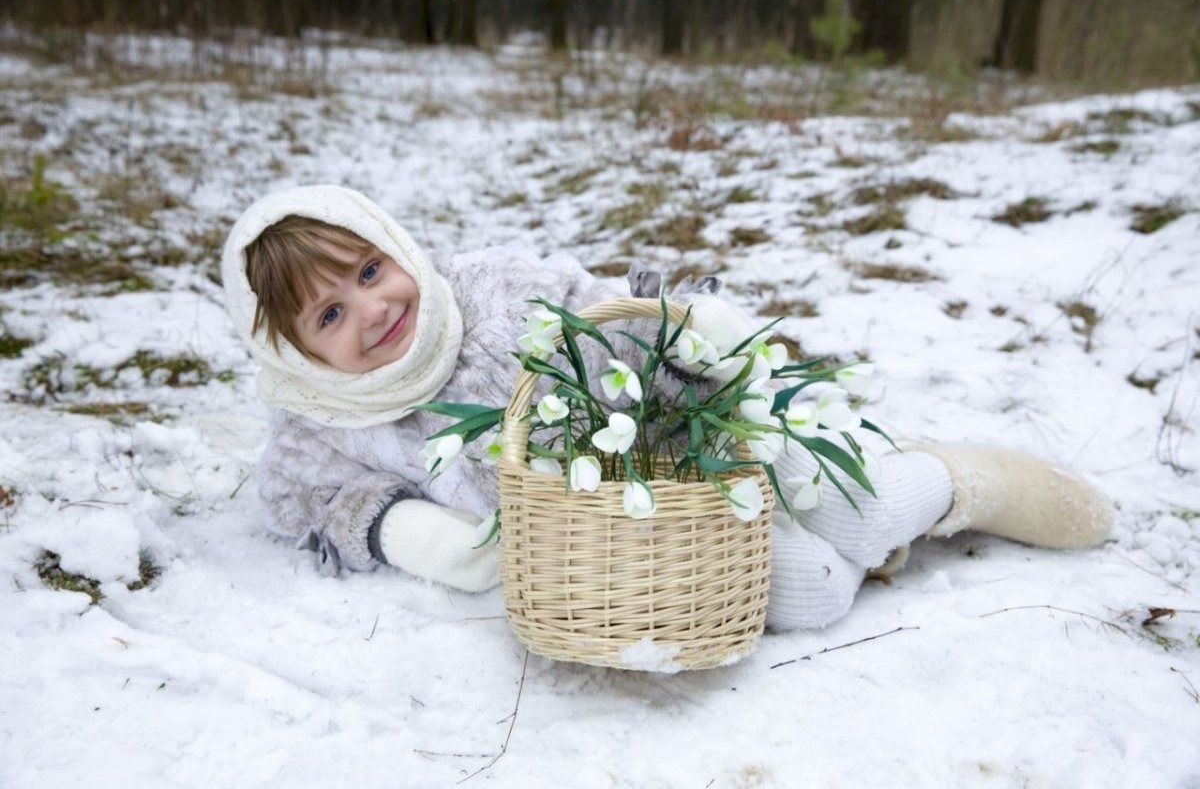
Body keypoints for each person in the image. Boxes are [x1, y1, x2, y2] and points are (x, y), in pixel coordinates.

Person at [221, 185, 1115, 631]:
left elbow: (611, 310)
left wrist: (686, 332)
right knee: (814, 593)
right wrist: (395, 528)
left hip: (682, 447)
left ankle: (960, 480)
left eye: (371, 271)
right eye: (330, 315)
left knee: (852, 506)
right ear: (293, 354)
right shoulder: (323, 421)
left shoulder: (491, 290)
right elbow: (296, 495)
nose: (373, 311)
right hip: (628, 545)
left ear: (398, 248)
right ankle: (877, 554)